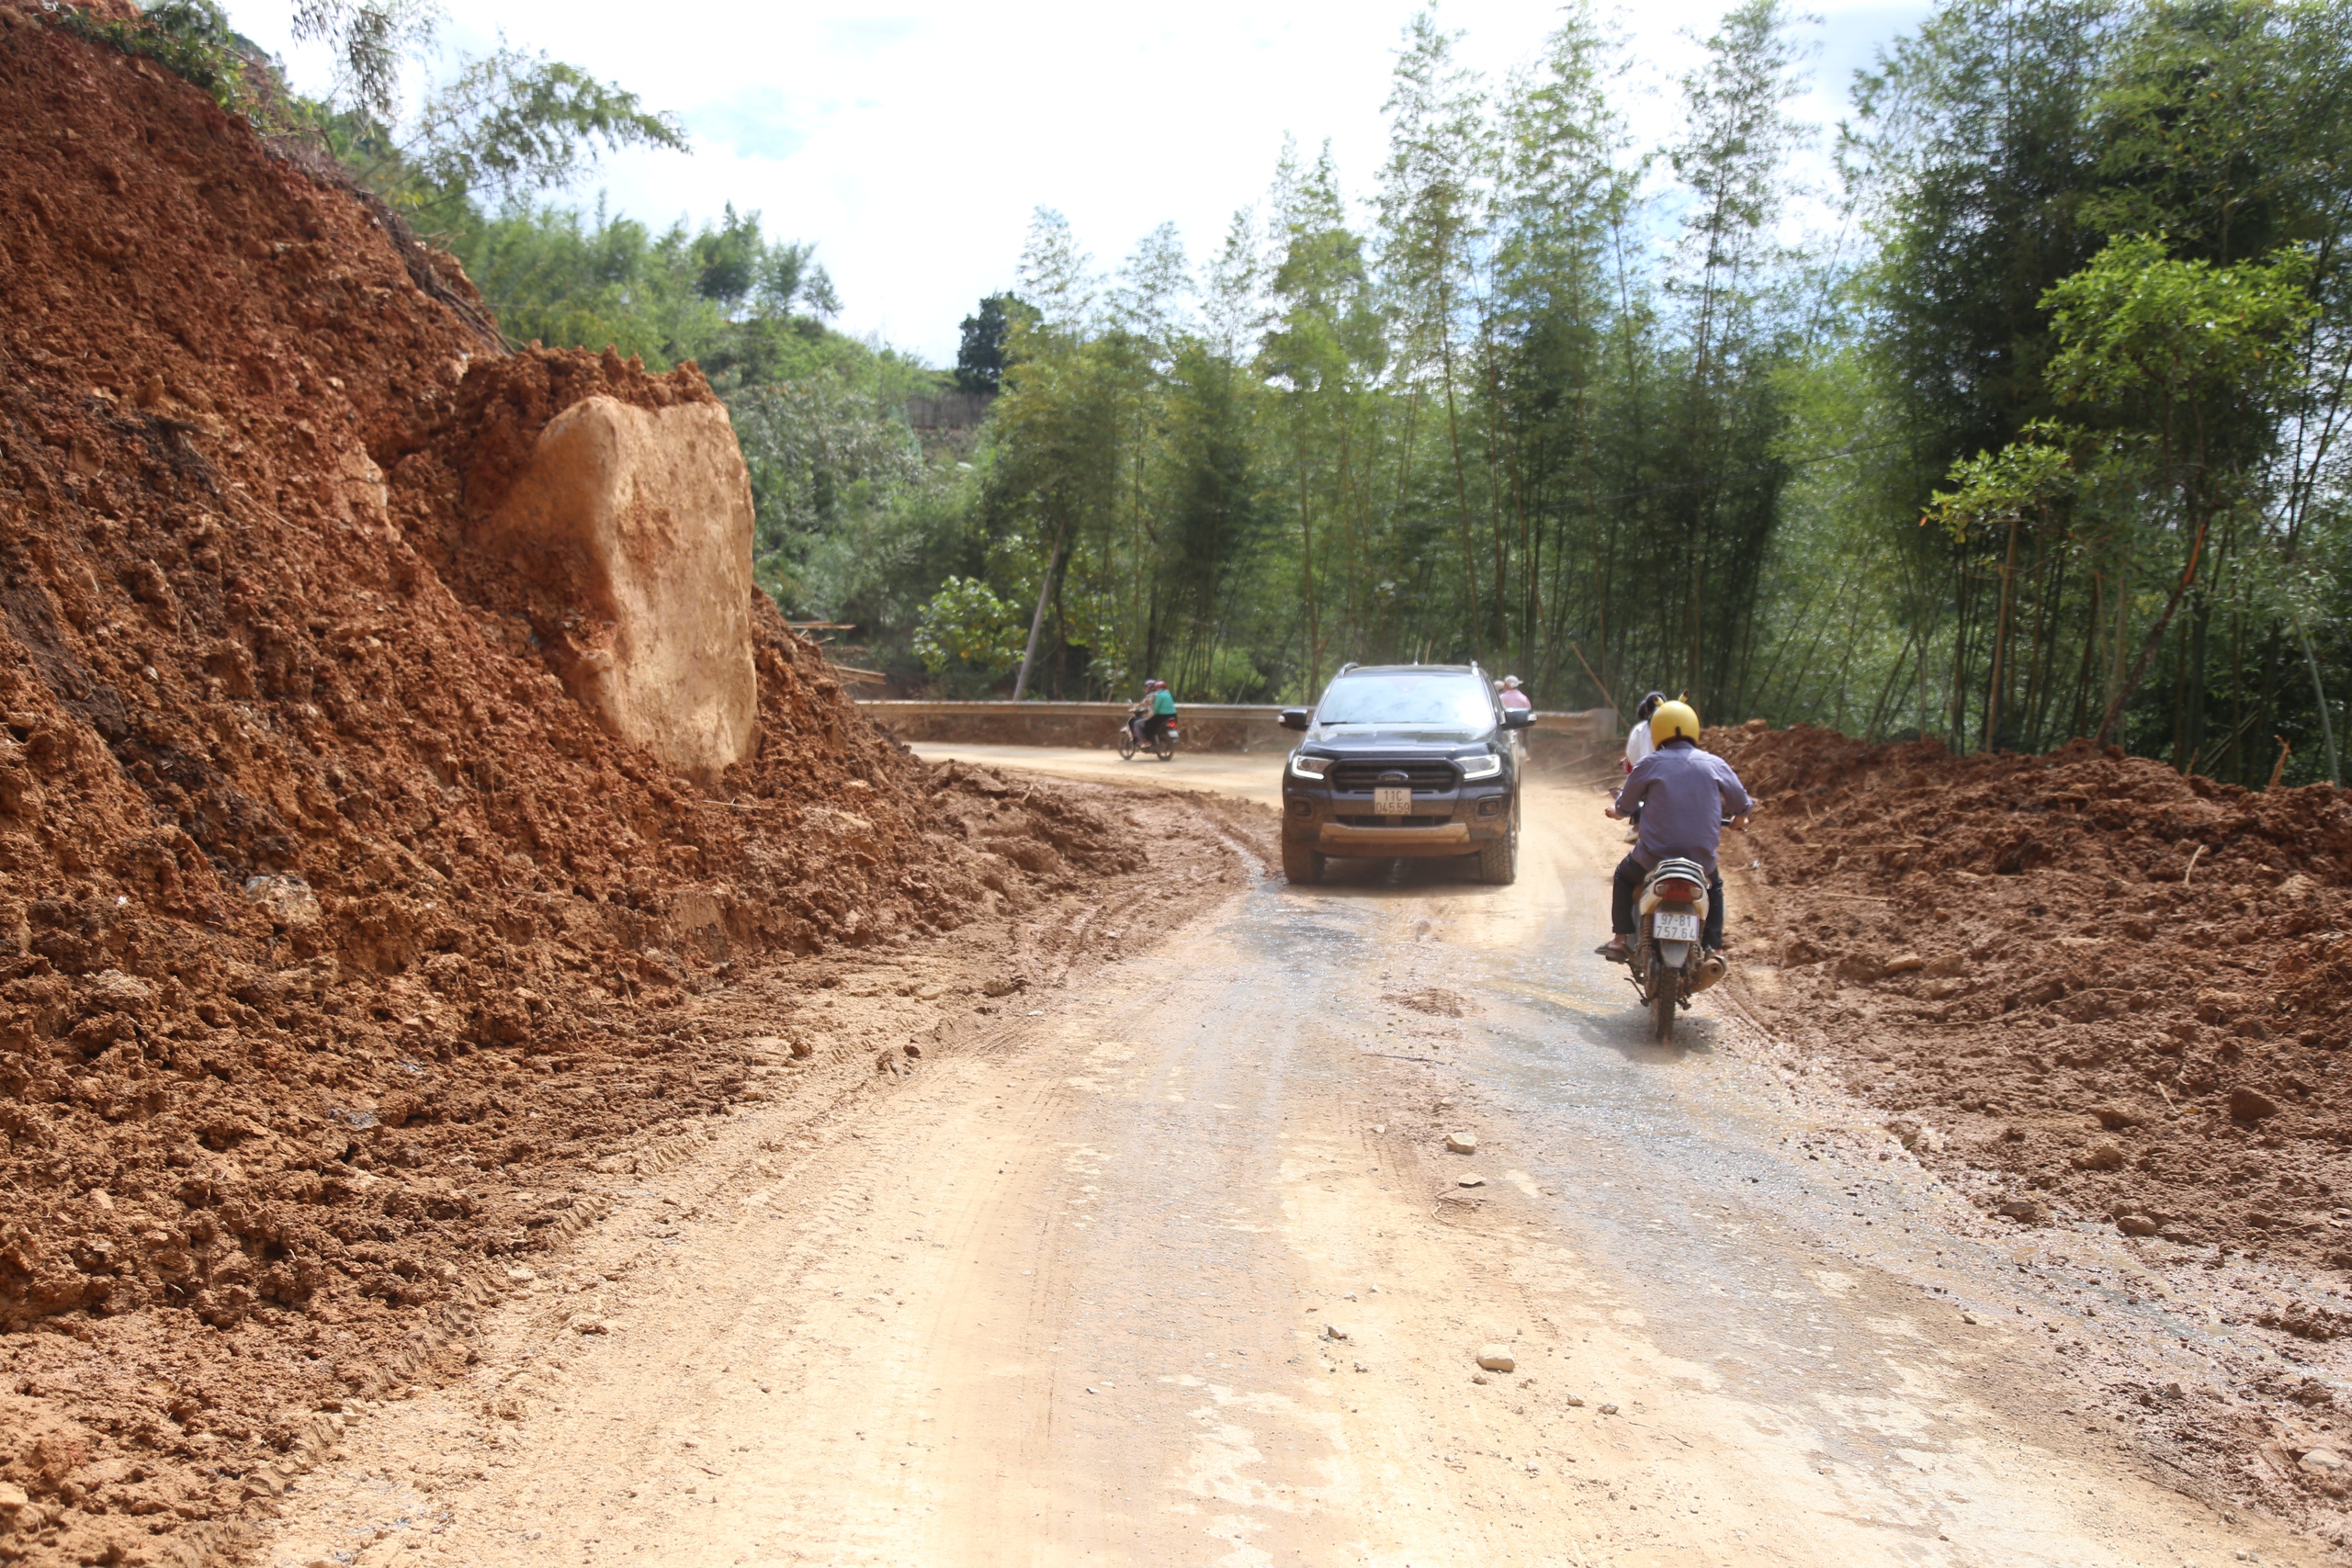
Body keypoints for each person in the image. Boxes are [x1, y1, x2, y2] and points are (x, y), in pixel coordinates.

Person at [1595, 699, 1752, 964]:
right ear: (1693, 728)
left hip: (1652, 858)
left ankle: (1621, 941)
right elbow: (1742, 806)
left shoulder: (1649, 764)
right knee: (1715, 887)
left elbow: (1625, 806)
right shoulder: (1715, 764)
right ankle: (1714, 949)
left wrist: (1616, 811)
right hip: (1700, 861)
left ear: (1657, 731)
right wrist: (1739, 820)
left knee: (1623, 876)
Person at [1129, 679, 1177, 749]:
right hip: (1169, 716)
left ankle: (1142, 741)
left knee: (1137, 723)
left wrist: (1133, 709)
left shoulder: (1150, 696)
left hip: (1155, 716)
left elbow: (1142, 705)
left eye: (1146, 687)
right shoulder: (1167, 694)